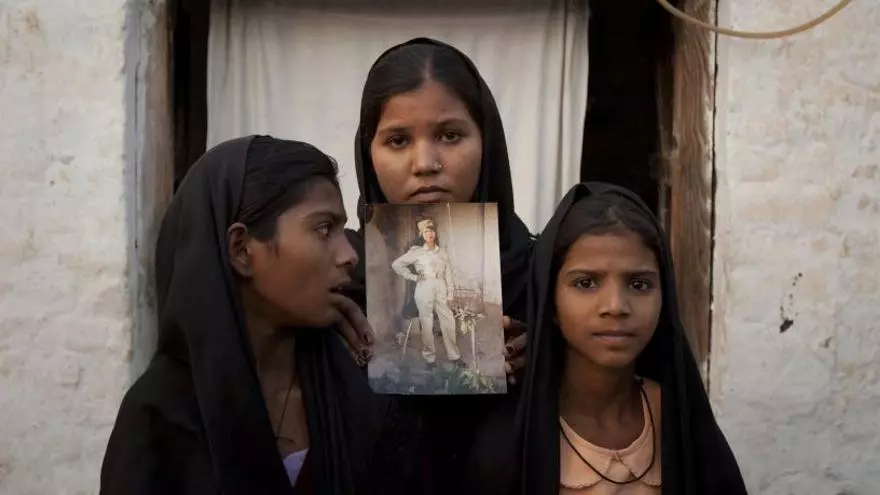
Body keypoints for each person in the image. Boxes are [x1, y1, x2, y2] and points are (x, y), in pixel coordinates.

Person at [99, 136, 423, 495]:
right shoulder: (160, 420)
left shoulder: (353, 389)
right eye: (323, 229)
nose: (350, 254)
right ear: (241, 249)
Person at [338, 37, 535, 493]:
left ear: (487, 141)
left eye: (450, 135)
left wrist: (549, 362)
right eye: (398, 140)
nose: (425, 163)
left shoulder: (546, 276)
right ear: (368, 151)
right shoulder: (334, 283)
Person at [466, 182, 747, 495]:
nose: (615, 306)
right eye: (586, 283)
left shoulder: (681, 422)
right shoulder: (507, 443)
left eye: (639, 285)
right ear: (551, 301)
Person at [391, 218, 462, 365]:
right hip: (424, 287)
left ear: (435, 233)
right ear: (421, 234)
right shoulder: (416, 252)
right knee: (426, 322)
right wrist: (413, 277)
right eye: (426, 231)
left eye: (432, 230)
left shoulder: (442, 253)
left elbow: (448, 274)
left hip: (441, 285)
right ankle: (430, 358)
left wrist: (450, 295)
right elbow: (396, 264)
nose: (430, 234)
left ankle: (454, 356)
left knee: (448, 321)